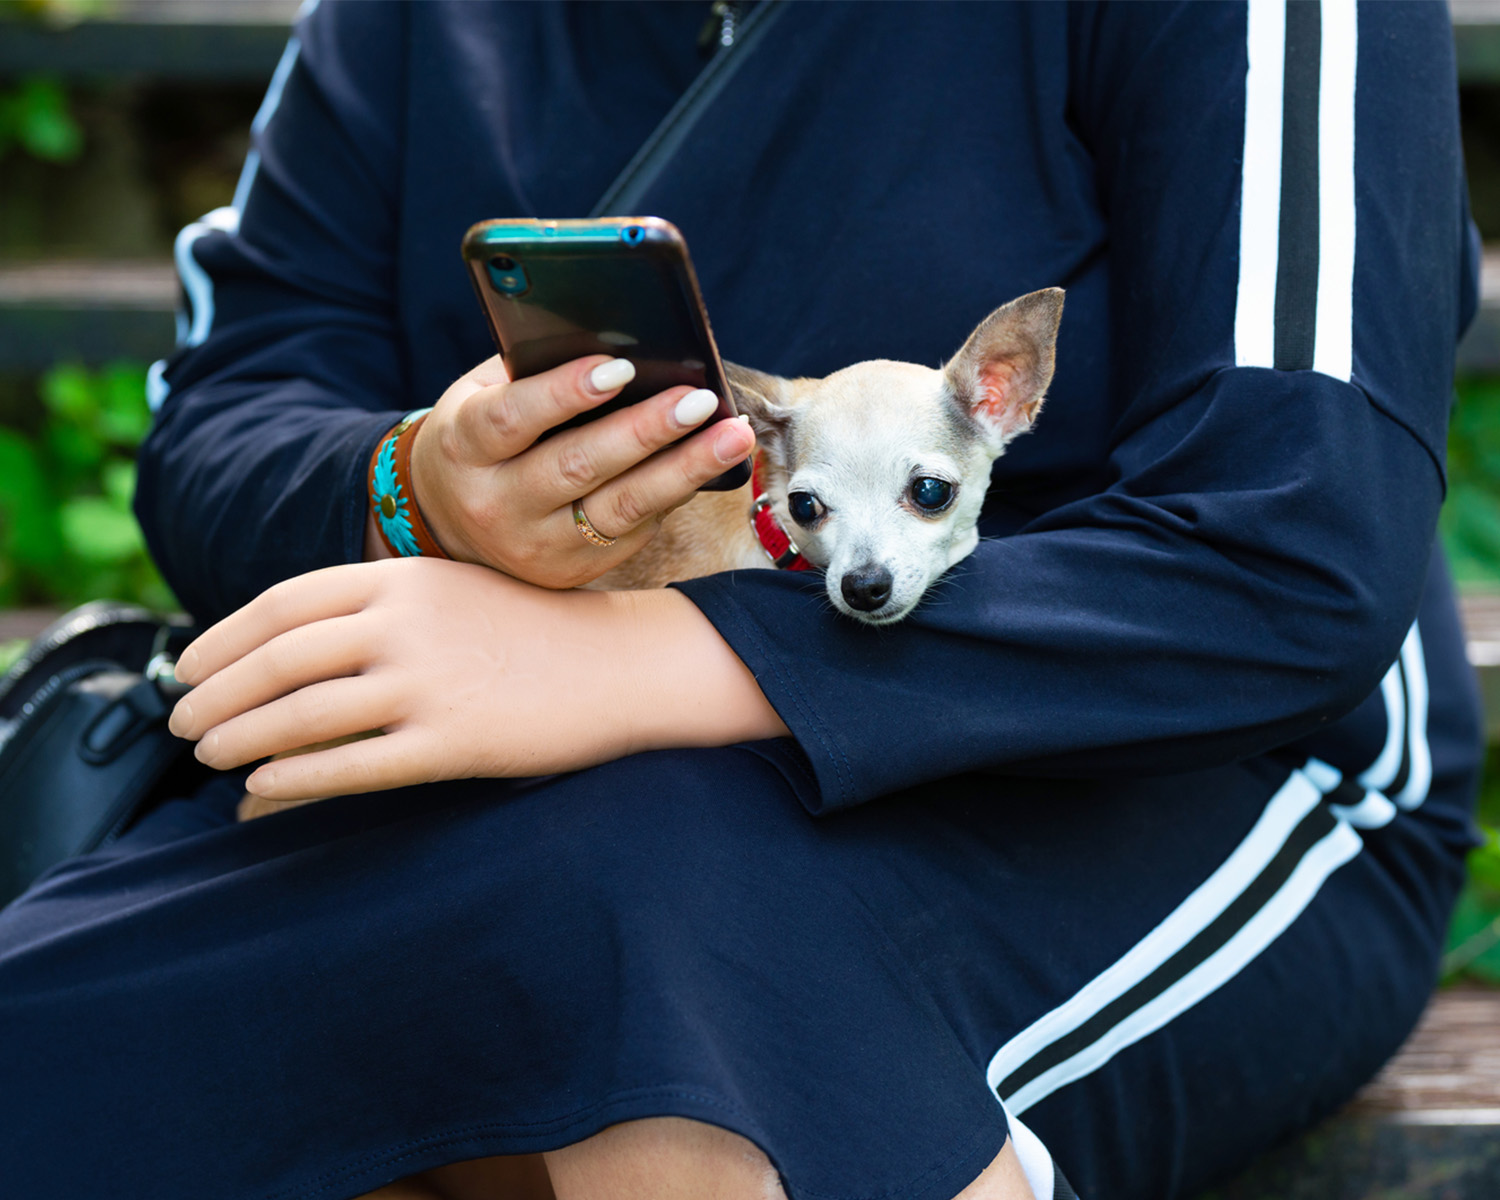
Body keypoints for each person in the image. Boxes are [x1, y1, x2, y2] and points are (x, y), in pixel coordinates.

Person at [0, 3, 1485, 1198]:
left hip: (1178, 756)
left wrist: (647, 658)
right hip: (485, 752)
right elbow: (233, 404)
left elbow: (1293, 553)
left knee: (660, 963)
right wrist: (417, 490)